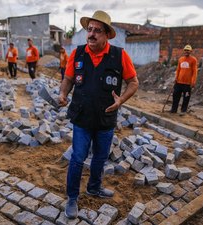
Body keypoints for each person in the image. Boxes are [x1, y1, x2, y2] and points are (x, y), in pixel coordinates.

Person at [59, 10, 139, 219]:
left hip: (106, 118)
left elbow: (133, 82)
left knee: (100, 157)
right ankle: (72, 198)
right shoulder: (77, 54)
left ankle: (94, 187)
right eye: (89, 29)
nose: (91, 34)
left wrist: (121, 100)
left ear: (106, 35)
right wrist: (62, 93)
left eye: (97, 31)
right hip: (82, 117)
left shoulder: (119, 56)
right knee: (77, 158)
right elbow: (68, 78)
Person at [170, 44, 198, 115]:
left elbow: (194, 71)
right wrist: (176, 78)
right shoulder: (180, 59)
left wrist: (193, 82)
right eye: (185, 50)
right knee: (175, 96)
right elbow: (178, 69)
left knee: (186, 98)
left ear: (190, 51)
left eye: (188, 50)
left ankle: (183, 111)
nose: (186, 51)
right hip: (179, 82)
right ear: (183, 51)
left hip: (187, 84)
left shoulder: (193, 60)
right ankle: (173, 109)